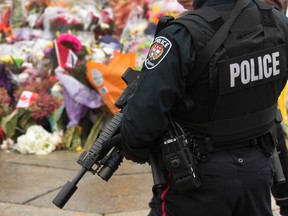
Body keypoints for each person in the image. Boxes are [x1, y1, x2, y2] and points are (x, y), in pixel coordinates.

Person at [104, 0, 288, 215]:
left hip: (198, 176)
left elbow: (142, 121)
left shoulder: (183, 34)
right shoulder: (276, 22)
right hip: (258, 169)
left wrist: (133, 145)